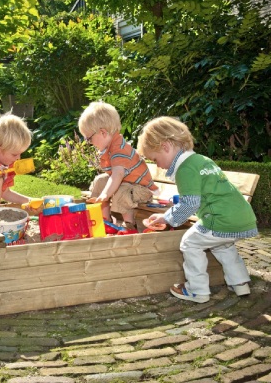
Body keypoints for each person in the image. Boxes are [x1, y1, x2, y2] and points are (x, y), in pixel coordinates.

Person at [137, 116, 258, 303]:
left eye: (155, 159)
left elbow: (190, 203)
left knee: (190, 243)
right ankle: (240, 283)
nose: (158, 165)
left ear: (165, 146)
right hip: (242, 216)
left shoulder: (185, 169)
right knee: (223, 244)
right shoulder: (202, 160)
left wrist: (167, 218)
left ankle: (197, 290)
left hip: (220, 218)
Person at [78, 101, 159, 230]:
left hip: (142, 190)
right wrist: (105, 192)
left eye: (89, 139)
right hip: (128, 184)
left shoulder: (119, 150)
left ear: (103, 133)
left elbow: (117, 175)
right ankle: (105, 220)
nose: (89, 143)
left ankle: (130, 226)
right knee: (100, 181)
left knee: (121, 190)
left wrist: (106, 194)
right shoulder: (110, 146)